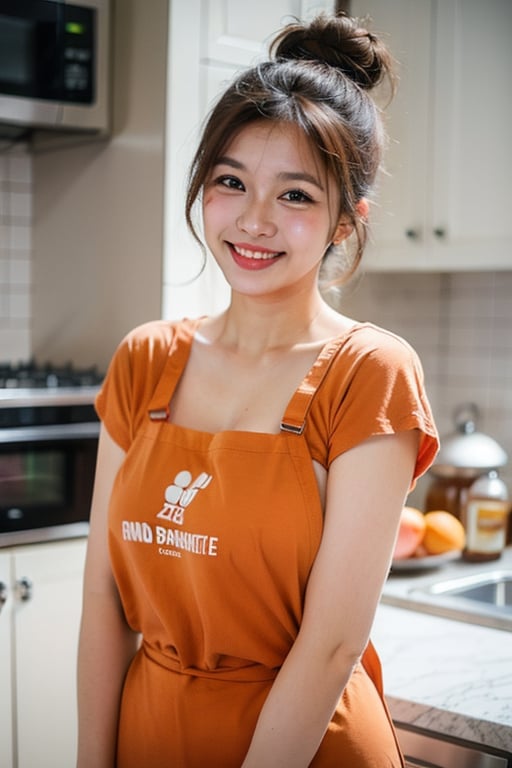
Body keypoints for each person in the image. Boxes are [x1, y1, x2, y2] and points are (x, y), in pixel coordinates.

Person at [77, 11, 439, 768]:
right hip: (150, 733)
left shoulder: (367, 374)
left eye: (296, 196)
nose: (253, 220)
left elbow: (334, 643)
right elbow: (104, 603)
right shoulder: (145, 360)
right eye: (230, 182)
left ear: (346, 222)